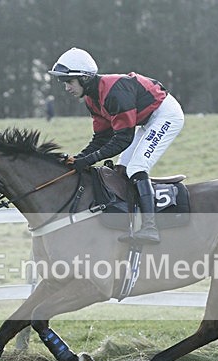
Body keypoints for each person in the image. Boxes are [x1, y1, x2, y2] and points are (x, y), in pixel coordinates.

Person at [48, 47, 185, 244]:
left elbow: (122, 140)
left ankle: (150, 227)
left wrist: (88, 160)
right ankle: (131, 222)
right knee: (122, 170)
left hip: (166, 115)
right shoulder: (91, 99)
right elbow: (102, 138)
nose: (67, 88)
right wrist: (78, 159)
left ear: (85, 78)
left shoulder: (114, 92)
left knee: (137, 167)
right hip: (146, 119)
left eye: (69, 81)